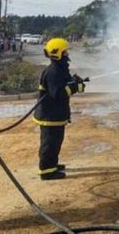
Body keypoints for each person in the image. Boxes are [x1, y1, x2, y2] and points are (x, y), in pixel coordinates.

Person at [35, 38, 85, 181]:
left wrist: (74, 82)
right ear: (58, 53)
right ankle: (46, 172)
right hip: (50, 116)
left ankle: (52, 165)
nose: (67, 53)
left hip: (54, 114)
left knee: (55, 142)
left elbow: (64, 85)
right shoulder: (53, 72)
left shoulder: (59, 69)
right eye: (65, 51)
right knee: (49, 143)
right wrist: (75, 87)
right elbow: (58, 93)